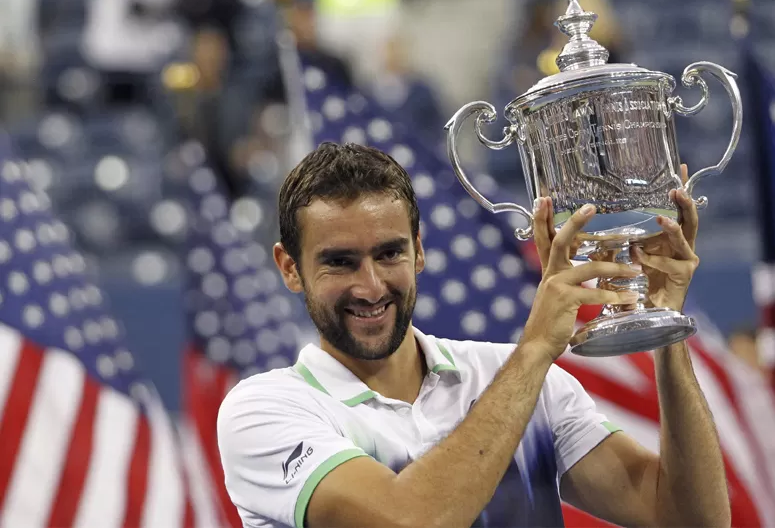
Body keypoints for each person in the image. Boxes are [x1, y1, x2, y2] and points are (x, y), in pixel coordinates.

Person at [216, 142, 731, 528]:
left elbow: (691, 520)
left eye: (389, 253)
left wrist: (663, 329)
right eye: (340, 262)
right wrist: (533, 353)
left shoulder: (527, 382)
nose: (370, 285)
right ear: (289, 267)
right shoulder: (265, 411)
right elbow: (409, 521)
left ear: (418, 251)